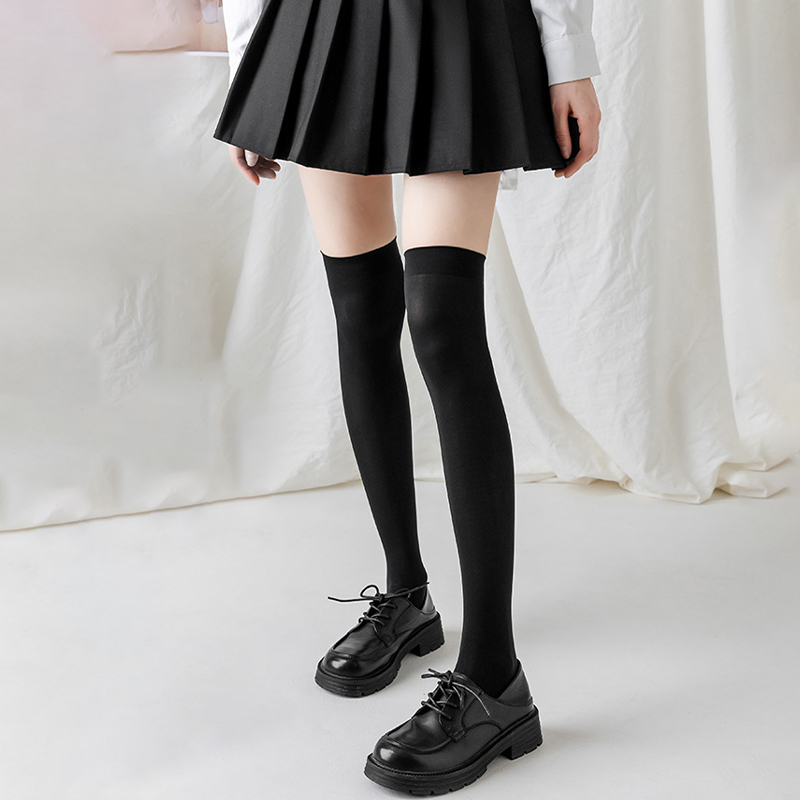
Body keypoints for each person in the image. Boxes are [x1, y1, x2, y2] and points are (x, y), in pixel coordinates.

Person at [212, 0, 602, 792]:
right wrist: (253, 59)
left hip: (462, 22)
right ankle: (405, 594)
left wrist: (569, 57)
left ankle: (494, 677)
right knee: (360, 312)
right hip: (322, 23)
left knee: (442, 324)